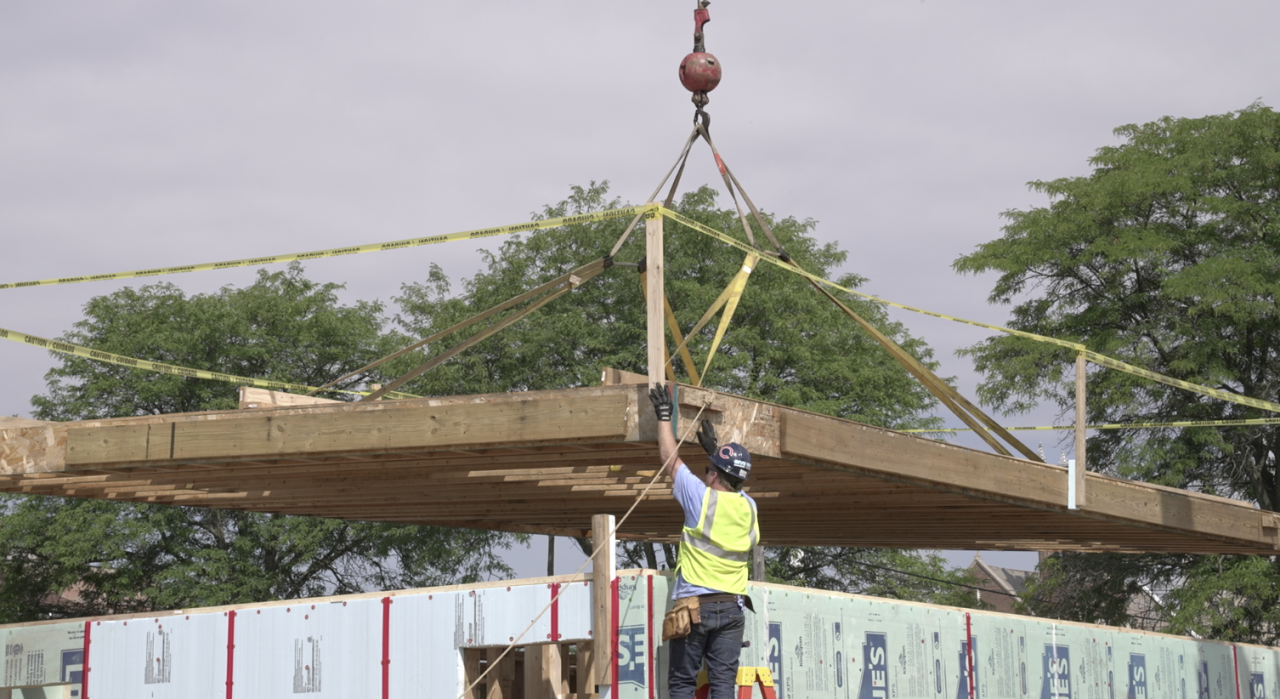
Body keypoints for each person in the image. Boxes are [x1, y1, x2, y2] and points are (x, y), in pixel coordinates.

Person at [649, 383, 760, 699]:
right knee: (723, 685)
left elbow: (669, 458)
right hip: (733, 608)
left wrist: (664, 415)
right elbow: (731, 483)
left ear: (713, 476)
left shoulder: (701, 499)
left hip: (696, 606)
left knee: (683, 684)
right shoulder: (750, 508)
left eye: (707, 470)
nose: (704, 474)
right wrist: (714, 454)